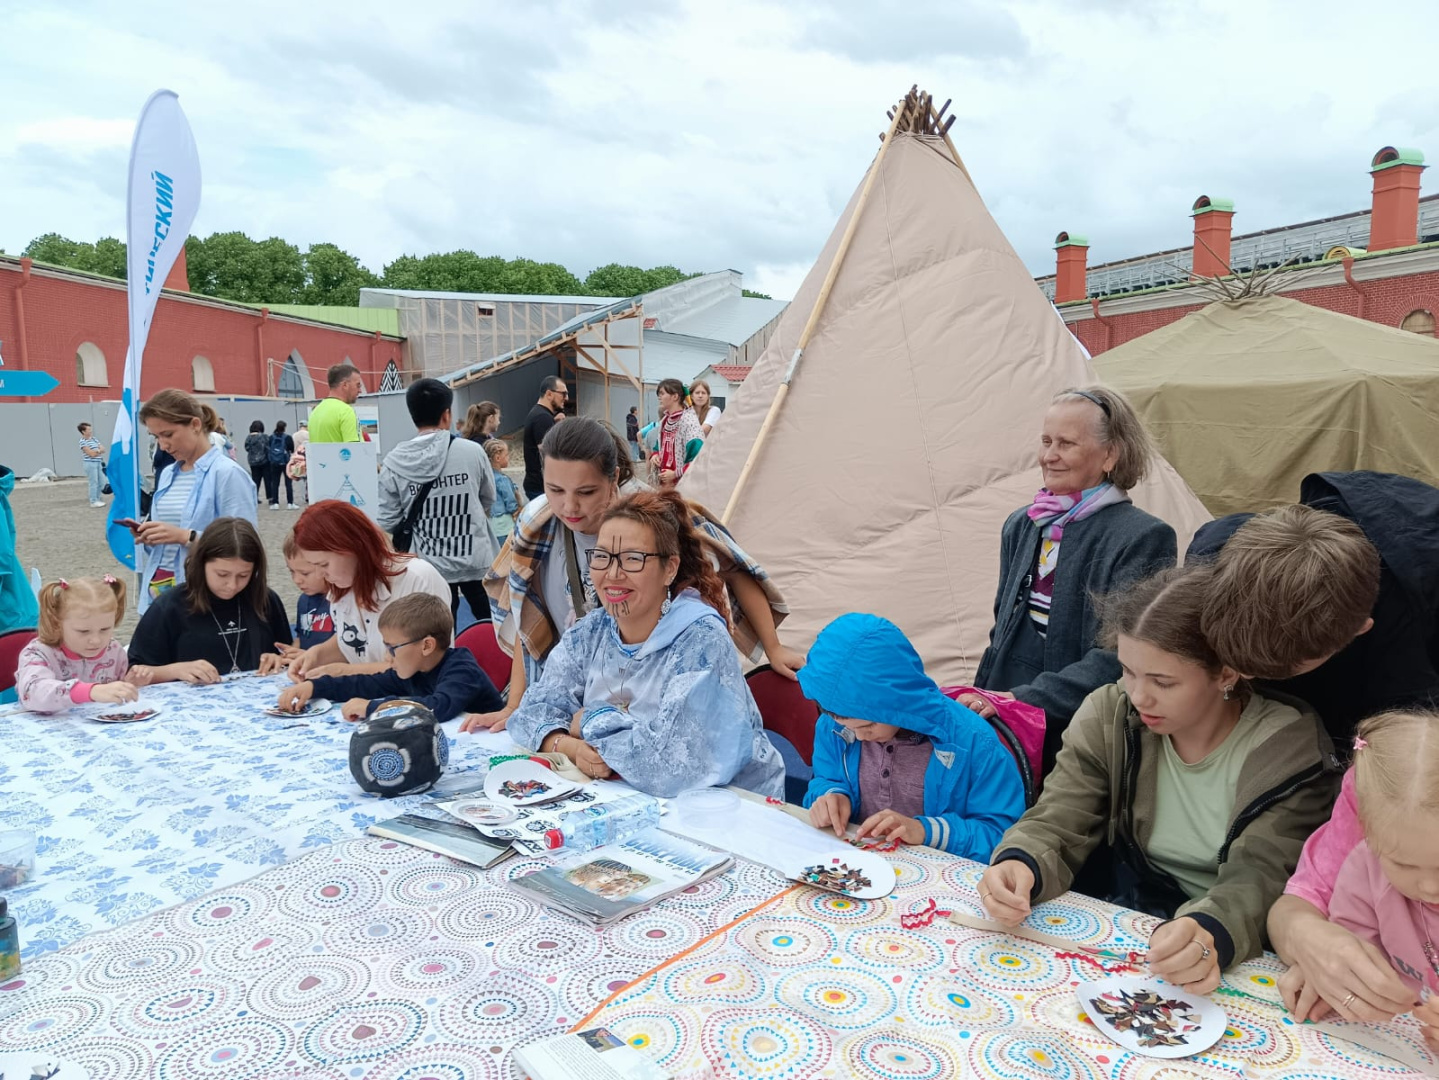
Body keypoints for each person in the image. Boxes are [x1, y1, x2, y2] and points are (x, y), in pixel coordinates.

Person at [979, 566, 1341, 992]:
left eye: (1163, 682)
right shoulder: (1110, 714)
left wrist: (1209, 928)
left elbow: (1261, 874)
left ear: (1226, 673)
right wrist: (1021, 861)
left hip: (1233, 942)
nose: (1138, 696)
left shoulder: (1287, 748)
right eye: (1128, 671)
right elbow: (1061, 815)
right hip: (1135, 914)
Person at [469, 418, 801, 733]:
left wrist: (772, 647)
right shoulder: (534, 527)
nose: (569, 507)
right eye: (555, 489)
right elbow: (525, 615)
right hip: (570, 698)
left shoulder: (656, 518)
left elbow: (734, 565)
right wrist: (515, 706)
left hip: (646, 700)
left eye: (586, 492)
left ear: (613, 479)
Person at [507, 489, 784, 798]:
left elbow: (667, 765)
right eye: (602, 557)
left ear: (669, 568)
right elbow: (529, 713)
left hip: (727, 807)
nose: (612, 574)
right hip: (631, 797)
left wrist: (588, 719)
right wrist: (568, 745)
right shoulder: (592, 632)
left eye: (632, 559)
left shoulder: (700, 640)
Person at [966, 386, 1177, 775]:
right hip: (1004, 718)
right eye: (1047, 441)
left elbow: (1119, 658)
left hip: (1077, 728)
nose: (1049, 455)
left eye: (1066, 443)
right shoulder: (1023, 524)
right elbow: (1003, 632)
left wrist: (1021, 699)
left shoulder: (1142, 538)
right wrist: (982, 695)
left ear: (1110, 454)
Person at [1191, 476, 1439, 744]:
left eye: (1281, 670)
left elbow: (1401, 735)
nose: (1247, 675)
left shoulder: (1409, 635)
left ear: (1359, 629)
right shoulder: (1211, 556)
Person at [801, 613, 1024, 859]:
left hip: (938, 879)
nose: (860, 737)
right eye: (849, 727)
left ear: (898, 703)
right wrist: (831, 795)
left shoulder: (974, 742)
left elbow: (1000, 834)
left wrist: (924, 831)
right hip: (857, 867)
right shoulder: (834, 727)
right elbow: (825, 777)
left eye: (868, 725)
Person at [1314, 711, 1439, 1049]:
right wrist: (1348, 979)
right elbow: (1354, 946)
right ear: (1368, 832)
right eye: (1403, 864)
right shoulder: (1364, 870)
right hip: (1394, 1042)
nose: (1429, 886)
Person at [278, 592, 503, 722]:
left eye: (393, 647)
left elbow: (438, 707)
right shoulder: (414, 669)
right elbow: (367, 684)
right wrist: (314, 687)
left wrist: (373, 707)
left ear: (426, 646)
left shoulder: (461, 669)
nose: (388, 656)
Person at [287, 499, 450, 677]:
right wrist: (317, 654)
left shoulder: (418, 579)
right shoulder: (343, 585)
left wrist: (344, 672)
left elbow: (423, 667)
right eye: (313, 565)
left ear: (351, 547)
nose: (320, 575)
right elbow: (357, 644)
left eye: (324, 564)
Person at [378, 378, 496, 623]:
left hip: (428, 566)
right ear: (447, 414)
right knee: (494, 623)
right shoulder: (472, 452)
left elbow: (388, 520)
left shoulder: (394, 462)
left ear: (413, 415)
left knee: (438, 630)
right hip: (475, 558)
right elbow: (488, 498)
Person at [135, 389, 258, 614]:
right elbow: (169, 537)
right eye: (156, 437)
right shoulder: (168, 474)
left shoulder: (227, 474)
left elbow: (244, 545)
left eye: (168, 434)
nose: (162, 445)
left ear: (195, 424)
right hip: (160, 587)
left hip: (202, 593)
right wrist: (150, 536)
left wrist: (185, 536)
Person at [128, 517, 292, 682]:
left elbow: (290, 655)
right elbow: (132, 674)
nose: (232, 585)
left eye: (243, 575)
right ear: (202, 563)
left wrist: (280, 660)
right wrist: (176, 670)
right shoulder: (170, 606)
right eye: (222, 574)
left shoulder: (266, 600)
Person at [16, 576, 153, 713]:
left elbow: (113, 697)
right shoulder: (37, 653)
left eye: (105, 629)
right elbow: (32, 692)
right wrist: (89, 691)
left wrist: (129, 684)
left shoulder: (114, 650)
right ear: (57, 622)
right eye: (84, 631)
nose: (96, 640)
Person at [644, 378, 704, 486]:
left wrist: (675, 474)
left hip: (684, 486)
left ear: (675, 397)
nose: (659, 397)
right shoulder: (665, 422)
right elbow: (658, 446)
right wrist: (655, 455)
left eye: (662, 393)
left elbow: (699, 460)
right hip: (665, 484)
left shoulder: (689, 423)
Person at [284, 531, 334, 649]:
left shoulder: (343, 602)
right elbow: (301, 637)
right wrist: (290, 654)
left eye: (304, 573)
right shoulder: (304, 600)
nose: (297, 580)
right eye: (292, 571)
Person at [522, 375, 568, 500]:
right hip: (541, 487)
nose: (566, 398)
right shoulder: (542, 418)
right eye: (563, 394)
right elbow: (549, 454)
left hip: (537, 484)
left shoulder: (540, 414)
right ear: (549, 394)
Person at [308, 364, 365, 443]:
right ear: (345, 385)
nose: (360, 390)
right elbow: (355, 450)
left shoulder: (315, 412)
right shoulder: (346, 411)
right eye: (357, 385)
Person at [485, 438, 522, 544]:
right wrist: (516, 510)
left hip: (491, 523)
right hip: (505, 524)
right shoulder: (502, 479)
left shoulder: (485, 477)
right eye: (506, 455)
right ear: (497, 458)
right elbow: (510, 501)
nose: (508, 457)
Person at [264, 421, 297, 510]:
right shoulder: (288, 437)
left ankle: (275, 503)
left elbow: (268, 449)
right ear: (284, 428)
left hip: (274, 463)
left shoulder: (271, 438)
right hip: (285, 462)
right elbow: (292, 449)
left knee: (275, 483)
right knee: (288, 483)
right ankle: (290, 503)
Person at [78, 422, 106, 507]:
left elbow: (103, 449)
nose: (90, 431)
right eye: (88, 429)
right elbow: (91, 454)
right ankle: (93, 501)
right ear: (83, 431)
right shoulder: (82, 442)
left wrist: (97, 451)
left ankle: (98, 498)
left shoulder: (94, 439)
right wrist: (98, 451)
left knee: (102, 481)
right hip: (90, 463)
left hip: (98, 462)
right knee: (93, 482)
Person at [244, 420, 268, 499]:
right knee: (267, 480)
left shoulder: (248, 437)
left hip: (253, 461)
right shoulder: (264, 436)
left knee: (255, 480)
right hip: (264, 461)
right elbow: (267, 447)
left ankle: (254, 497)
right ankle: (270, 497)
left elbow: (247, 448)